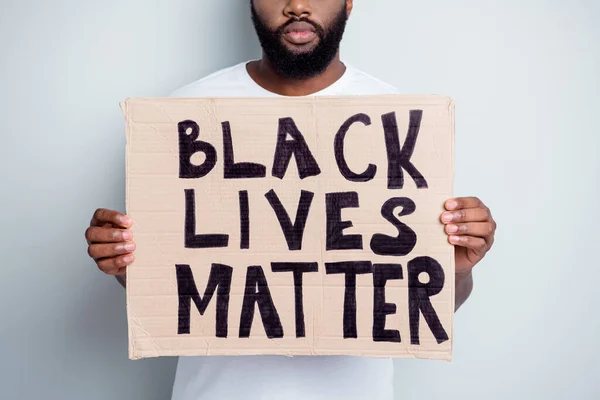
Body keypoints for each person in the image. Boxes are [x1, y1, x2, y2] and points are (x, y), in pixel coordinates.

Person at [85, 1, 497, 399]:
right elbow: (173, 277)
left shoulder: (400, 120)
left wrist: (455, 268)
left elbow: (422, 299)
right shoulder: (185, 113)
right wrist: (124, 260)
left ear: (348, 2)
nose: (297, 5)